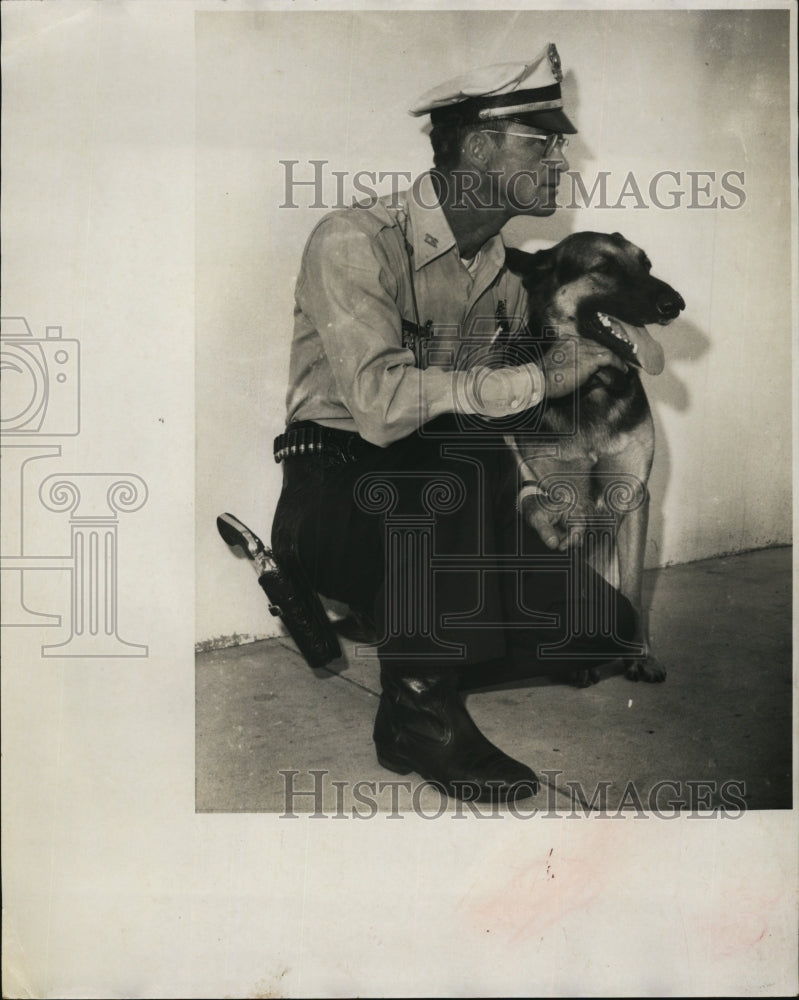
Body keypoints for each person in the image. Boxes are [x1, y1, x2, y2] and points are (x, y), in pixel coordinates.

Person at [272, 43, 636, 804]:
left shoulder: (499, 274)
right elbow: (379, 406)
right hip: (335, 494)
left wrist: (530, 495)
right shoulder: (354, 241)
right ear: (476, 147)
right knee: (449, 456)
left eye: (559, 144)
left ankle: (410, 642)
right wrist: (540, 377)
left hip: (443, 498)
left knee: (601, 628)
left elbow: (481, 406)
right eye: (540, 143)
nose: (560, 160)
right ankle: (420, 715)